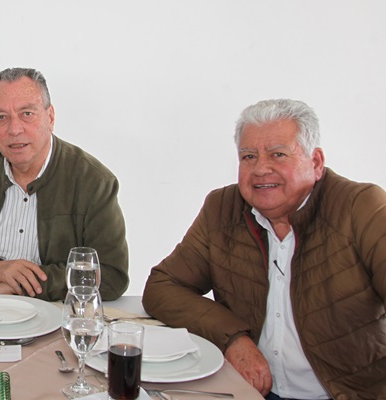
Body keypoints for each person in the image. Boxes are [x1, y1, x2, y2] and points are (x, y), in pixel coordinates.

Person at [142, 99, 386, 399]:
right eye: (248, 156)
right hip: (248, 392)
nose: (260, 169)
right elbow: (163, 286)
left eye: (278, 154)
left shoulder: (361, 207)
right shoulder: (222, 208)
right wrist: (233, 339)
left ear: (316, 162)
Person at [0, 67, 129, 302]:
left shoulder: (93, 182)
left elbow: (111, 276)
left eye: (27, 114)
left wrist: (18, 287)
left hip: (56, 316)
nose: (14, 129)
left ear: (50, 117)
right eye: (1, 117)